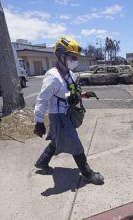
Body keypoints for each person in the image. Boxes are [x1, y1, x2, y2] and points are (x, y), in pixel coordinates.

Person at [33, 36, 104, 185]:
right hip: (58, 116)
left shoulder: (70, 74)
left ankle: (42, 162)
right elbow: (42, 99)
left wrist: (82, 94)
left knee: (56, 141)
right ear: (61, 55)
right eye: (72, 57)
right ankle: (87, 174)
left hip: (66, 114)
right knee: (76, 145)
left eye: (76, 57)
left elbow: (66, 93)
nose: (75, 60)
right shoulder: (53, 76)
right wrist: (38, 121)